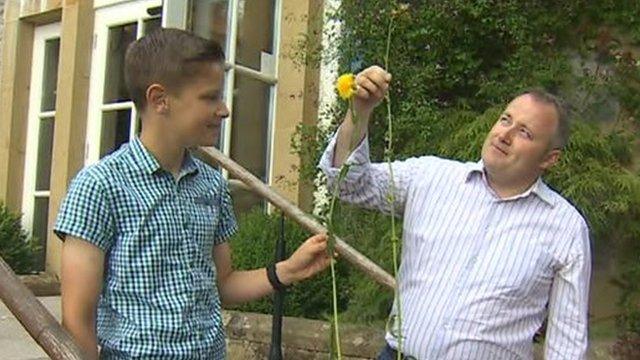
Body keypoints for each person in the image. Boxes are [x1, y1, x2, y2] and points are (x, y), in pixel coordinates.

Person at [55, 28, 331, 359]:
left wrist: (287, 270)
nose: (225, 109)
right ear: (160, 100)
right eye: (210, 97)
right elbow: (76, 320)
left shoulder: (211, 185)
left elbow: (223, 284)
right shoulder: (100, 186)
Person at [319, 65, 591, 359]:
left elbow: (568, 342)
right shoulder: (429, 177)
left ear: (549, 158)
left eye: (524, 132)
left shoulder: (565, 228)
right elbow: (348, 185)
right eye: (505, 120)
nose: (504, 135)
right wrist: (359, 111)